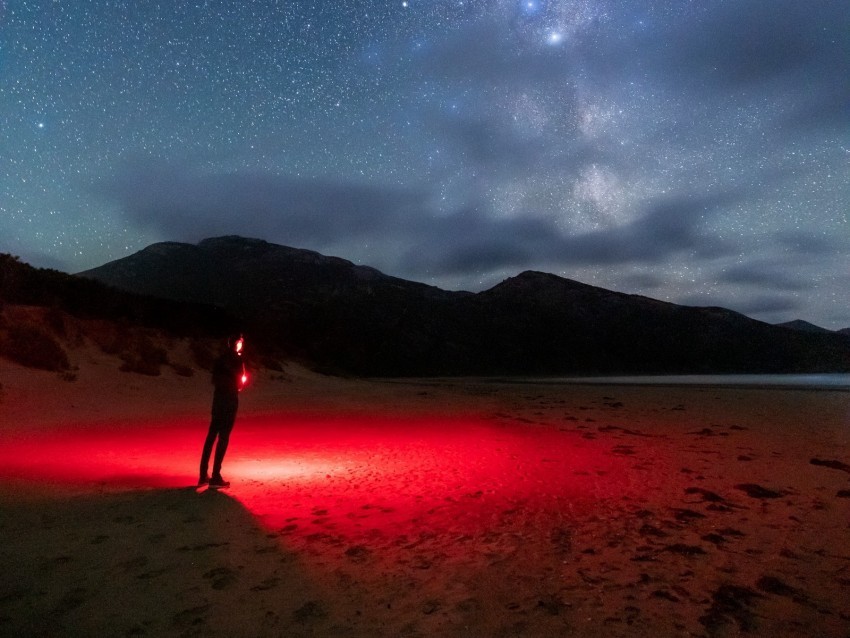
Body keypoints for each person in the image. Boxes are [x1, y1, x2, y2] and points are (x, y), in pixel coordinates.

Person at [199, 334, 247, 487]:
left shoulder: (219, 360)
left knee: (212, 435)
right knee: (224, 436)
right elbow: (241, 380)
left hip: (218, 399)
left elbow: (215, 380)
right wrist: (237, 386)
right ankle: (215, 476)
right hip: (229, 400)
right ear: (235, 344)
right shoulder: (237, 360)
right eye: (239, 343)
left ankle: (203, 474)